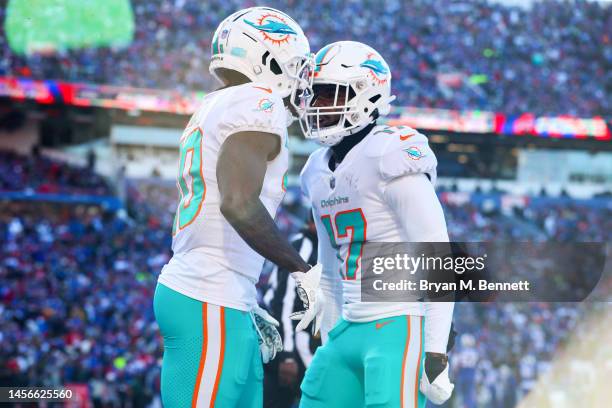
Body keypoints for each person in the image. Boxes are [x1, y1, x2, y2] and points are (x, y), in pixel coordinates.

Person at [153, 7, 324, 407]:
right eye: (296, 66)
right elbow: (238, 203)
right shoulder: (258, 102)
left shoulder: (221, 103)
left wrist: (247, 298)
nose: (301, 80)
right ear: (269, 60)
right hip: (210, 294)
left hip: (223, 294)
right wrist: (303, 271)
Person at [297, 41, 455, 407]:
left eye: (327, 94)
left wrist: (435, 352)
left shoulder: (390, 152)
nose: (316, 105)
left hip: (397, 324)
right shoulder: (315, 170)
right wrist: (332, 332)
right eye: (313, 95)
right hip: (348, 328)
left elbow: (438, 254)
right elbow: (331, 266)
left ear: (365, 95)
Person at [263, 215, 322, 408]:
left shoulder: (325, 248)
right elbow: (284, 303)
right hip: (289, 340)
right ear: (311, 223)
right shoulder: (302, 246)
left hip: (309, 337)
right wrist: (287, 355)